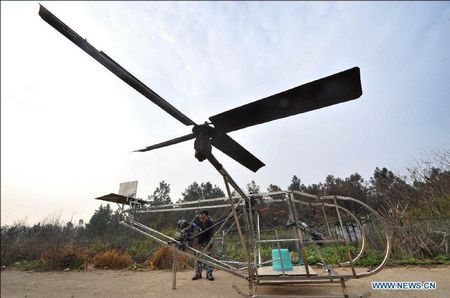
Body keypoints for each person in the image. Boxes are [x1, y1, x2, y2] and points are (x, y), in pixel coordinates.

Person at [191, 210, 215, 281]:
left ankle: (209, 274)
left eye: (203, 217)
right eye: (200, 216)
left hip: (207, 240)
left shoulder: (210, 222)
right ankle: (198, 274)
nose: (201, 218)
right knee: (198, 257)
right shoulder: (196, 219)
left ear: (206, 217)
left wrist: (210, 243)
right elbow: (191, 226)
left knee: (208, 257)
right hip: (199, 241)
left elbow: (211, 233)